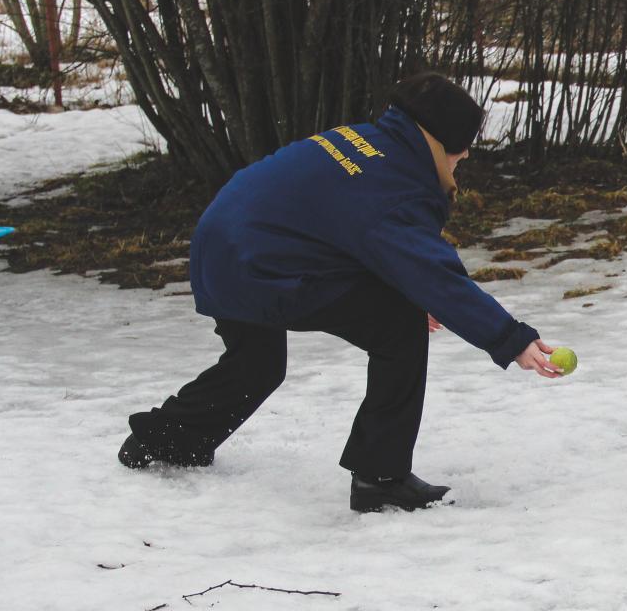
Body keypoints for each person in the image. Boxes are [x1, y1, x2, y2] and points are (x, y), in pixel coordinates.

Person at [118, 72, 563, 512]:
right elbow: (436, 274)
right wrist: (511, 338)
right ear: (442, 143)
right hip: (259, 264)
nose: (462, 160)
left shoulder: (365, 141)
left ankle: (162, 439)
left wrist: (401, 290)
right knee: (398, 327)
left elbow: (344, 233)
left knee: (257, 364)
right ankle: (381, 477)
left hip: (223, 247)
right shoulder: (395, 186)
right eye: (461, 153)